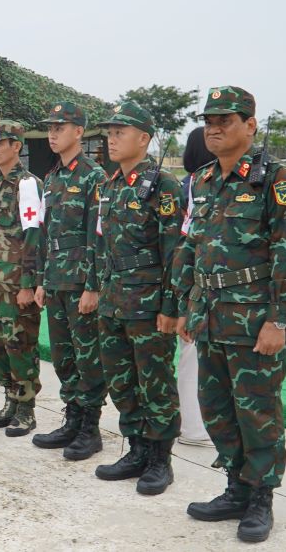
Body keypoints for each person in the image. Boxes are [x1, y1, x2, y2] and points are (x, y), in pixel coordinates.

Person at [172, 87, 286, 543]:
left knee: (258, 412)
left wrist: (278, 320)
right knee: (217, 411)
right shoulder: (203, 180)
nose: (214, 128)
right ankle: (235, 487)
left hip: (254, 322)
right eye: (209, 121)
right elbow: (194, 247)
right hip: (210, 317)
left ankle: (260, 498)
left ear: (250, 125)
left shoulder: (276, 178)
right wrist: (189, 308)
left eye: (225, 120)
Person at [93, 101, 182, 496]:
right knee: (122, 381)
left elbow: (173, 252)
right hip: (113, 303)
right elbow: (104, 247)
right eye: (109, 133)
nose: (112, 139)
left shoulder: (164, 186)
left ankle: (160, 460)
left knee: (156, 383)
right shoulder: (111, 185)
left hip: (147, 307)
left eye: (120, 132)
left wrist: (169, 306)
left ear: (143, 139)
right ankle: (136, 448)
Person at [32, 101, 108, 460]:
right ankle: (72, 419)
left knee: (87, 357)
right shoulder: (52, 178)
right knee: (63, 357)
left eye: (59, 127)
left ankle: (89, 428)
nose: (52, 133)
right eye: (50, 127)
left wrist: (93, 285)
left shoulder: (94, 176)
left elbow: (98, 235)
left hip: (81, 282)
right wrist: (42, 279)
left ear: (79, 131)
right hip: (58, 279)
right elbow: (45, 234)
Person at [0, 120, 43, 436]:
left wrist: (28, 283)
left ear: (16, 146)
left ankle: (26, 410)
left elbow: (33, 235)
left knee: (20, 345)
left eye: (0, 143)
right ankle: (9, 401)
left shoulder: (28, 184)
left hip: (16, 283)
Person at [176, 127, 216, 447]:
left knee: (189, 355)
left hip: (181, 280)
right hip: (195, 283)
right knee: (194, 356)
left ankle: (191, 423)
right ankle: (194, 426)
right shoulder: (198, 185)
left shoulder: (185, 184)